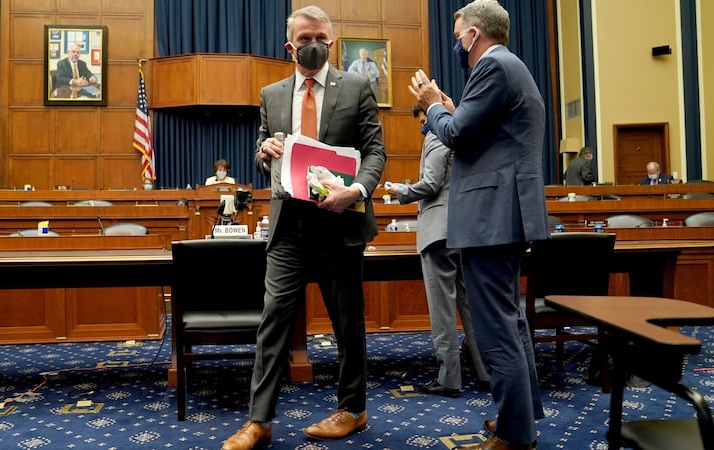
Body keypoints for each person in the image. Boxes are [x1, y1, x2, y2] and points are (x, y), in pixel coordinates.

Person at [220, 5, 385, 450]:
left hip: (340, 223)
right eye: (306, 39)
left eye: (322, 39)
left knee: (347, 323)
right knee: (273, 322)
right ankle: (260, 421)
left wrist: (359, 190)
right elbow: (262, 150)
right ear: (289, 46)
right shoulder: (271, 94)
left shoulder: (357, 86)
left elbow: (375, 152)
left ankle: (353, 409)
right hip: (288, 224)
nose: (315, 46)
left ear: (331, 42)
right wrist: (264, 149)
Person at [408, 1, 548, 449]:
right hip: (503, 213)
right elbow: (481, 133)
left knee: (495, 329)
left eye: (458, 34)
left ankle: (512, 434)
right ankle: (520, 420)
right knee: (511, 322)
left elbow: (455, 136)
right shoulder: (508, 67)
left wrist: (433, 107)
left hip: (491, 216)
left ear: (473, 33)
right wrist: (450, 106)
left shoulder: (492, 66)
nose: (457, 44)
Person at [385, 104, 490, 397]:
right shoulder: (465, 133)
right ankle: (488, 372)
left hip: (438, 234)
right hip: (465, 229)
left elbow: (430, 184)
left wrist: (400, 192)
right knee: (472, 308)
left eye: (421, 119)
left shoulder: (436, 135)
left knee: (442, 309)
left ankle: (449, 379)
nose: (421, 126)